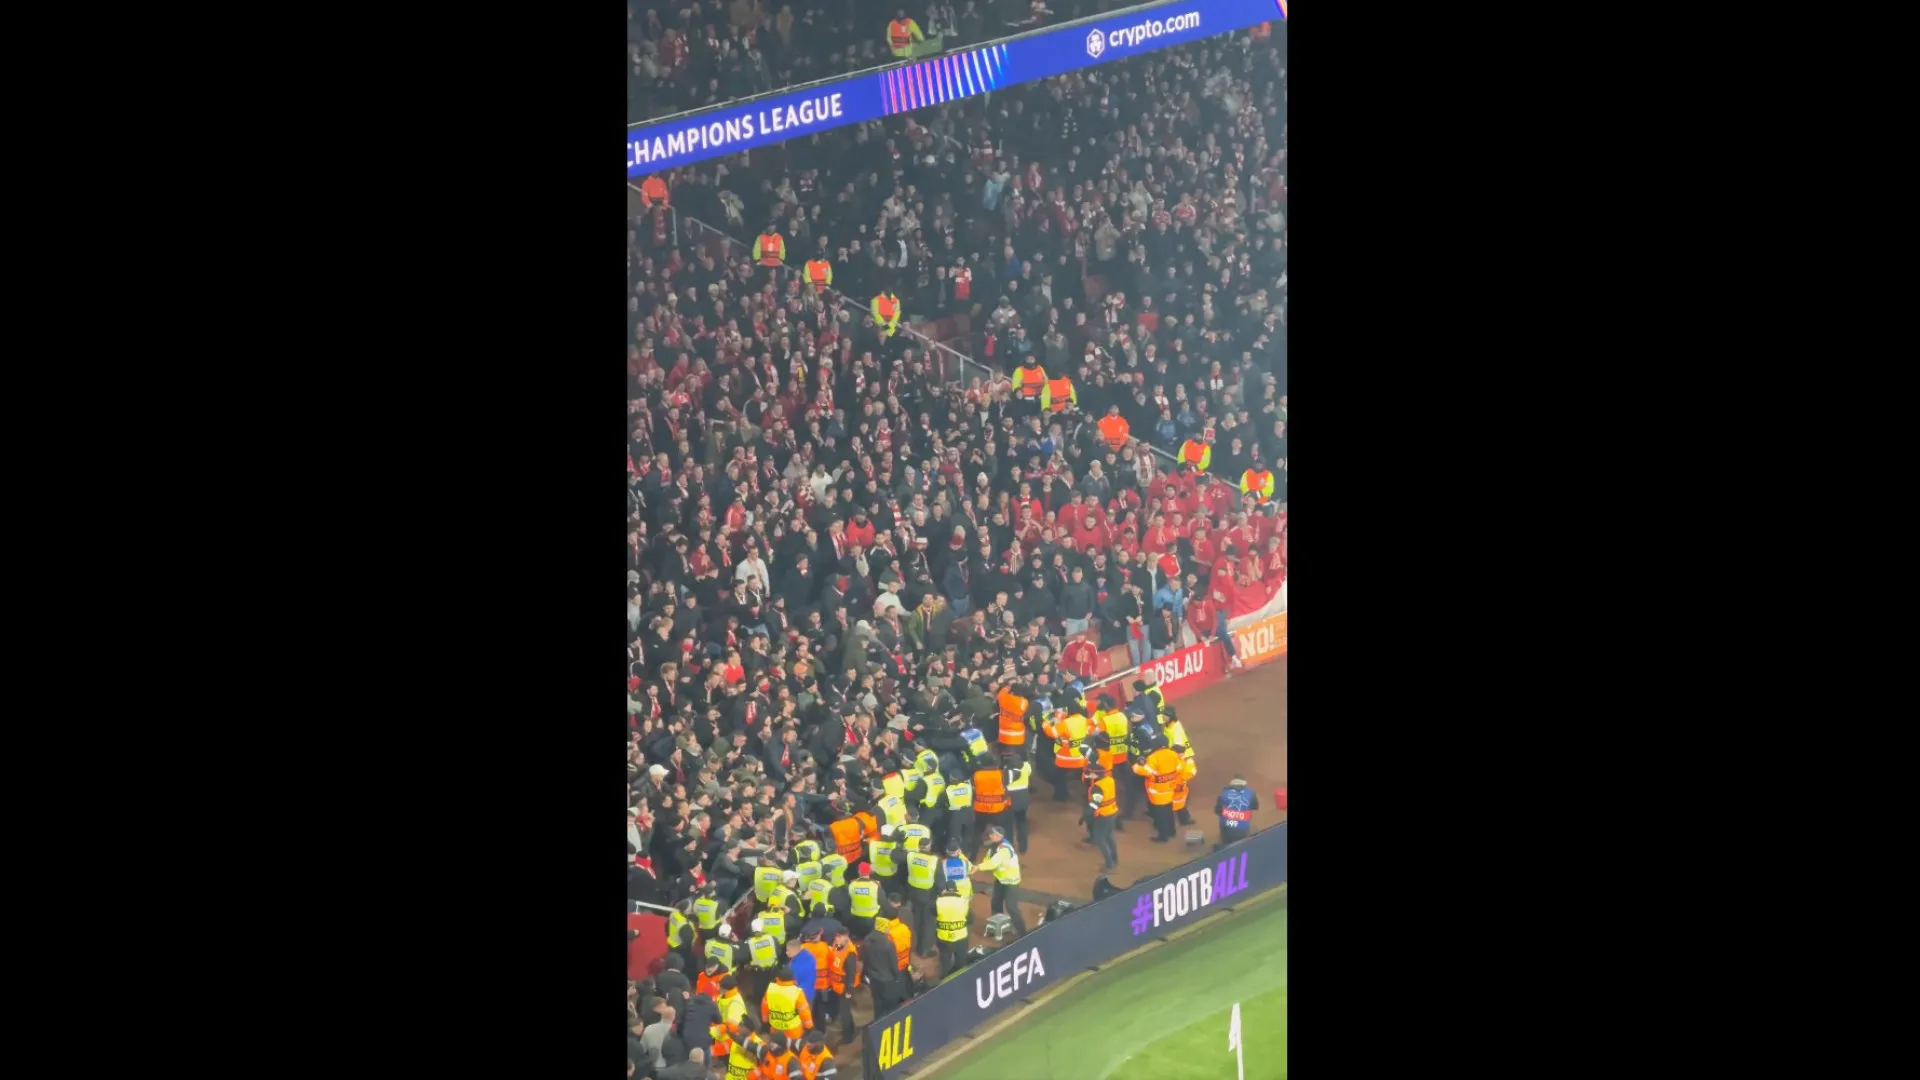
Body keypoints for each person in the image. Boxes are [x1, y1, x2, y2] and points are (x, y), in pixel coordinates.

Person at [973, 824, 1028, 937]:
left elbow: (993, 863)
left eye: (992, 834)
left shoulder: (1004, 849)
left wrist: (978, 868)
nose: (990, 835)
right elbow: (987, 860)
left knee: (1011, 907)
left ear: (999, 836)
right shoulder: (994, 846)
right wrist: (976, 866)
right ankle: (998, 926)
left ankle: (1023, 933)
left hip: (1011, 881)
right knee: (996, 902)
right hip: (1000, 879)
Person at [1134, 740, 1183, 842]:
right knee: (1169, 811)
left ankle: (1162, 836)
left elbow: (1144, 771)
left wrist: (1136, 765)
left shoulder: (1153, 757)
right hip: (1169, 789)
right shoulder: (1173, 754)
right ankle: (1171, 831)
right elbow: (1179, 768)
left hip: (1158, 792)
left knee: (1160, 815)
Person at [901, 835, 940, 958]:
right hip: (928, 895)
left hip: (913, 893)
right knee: (928, 923)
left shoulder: (911, 856)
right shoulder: (934, 860)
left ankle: (915, 946)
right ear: (929, 847)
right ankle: (924, 951)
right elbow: (939, 881)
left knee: (917, 920)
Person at [760, 964, 814, 1043]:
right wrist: (809, 1027)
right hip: (793, 1032)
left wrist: (765, 1022)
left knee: (778, 1051)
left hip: (775, 1029)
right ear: (792, 979)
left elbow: (764, 1007)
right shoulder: (797, 992)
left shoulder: (770, 989)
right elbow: (804, 1012)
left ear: (778, 978)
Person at [933, 881, 972, 978]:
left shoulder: (938, 901)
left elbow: (932, 912)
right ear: (956, 890)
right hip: (960, 936)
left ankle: (945, 979)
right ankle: (961, 977)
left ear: (945, 890)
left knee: (945, 960)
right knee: (961, 960)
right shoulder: (963, 901)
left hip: (943, 936)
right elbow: (971, 919)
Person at [1086, 762, 1120, 873]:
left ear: (1095, 775)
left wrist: (1086, 814)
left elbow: (1095, 803)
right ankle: (1115, 859)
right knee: (1109, 836)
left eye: (1090, 773)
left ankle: (1109, 864)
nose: (1088, 774)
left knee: (1099, 839)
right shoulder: (1109, 780)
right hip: (1112, 811)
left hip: (1103, 815)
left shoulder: (1097, 787)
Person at [1215, 773, 1260, 851]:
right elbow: (1255, 807)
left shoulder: (1224, 793)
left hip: (1226, 830)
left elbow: (1216, 811)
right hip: (1242, 831)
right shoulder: (1250, 792)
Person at [1003, 748, 1033, 854]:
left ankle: (1009, 847)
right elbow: (1028, 773)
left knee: (1009, 825)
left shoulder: (1007, 769)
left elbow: (1004, 781)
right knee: (1022, 822)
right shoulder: (1026, 766)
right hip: (1023, 798)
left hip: (1010, 799)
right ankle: (1023, 847)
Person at [846, 862, 882, 940]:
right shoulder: (876, 885)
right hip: (871, 919)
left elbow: (848, 900)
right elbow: (881, 901)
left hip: (856, 917)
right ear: (869, 872)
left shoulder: (852, 884)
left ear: (859, 872)